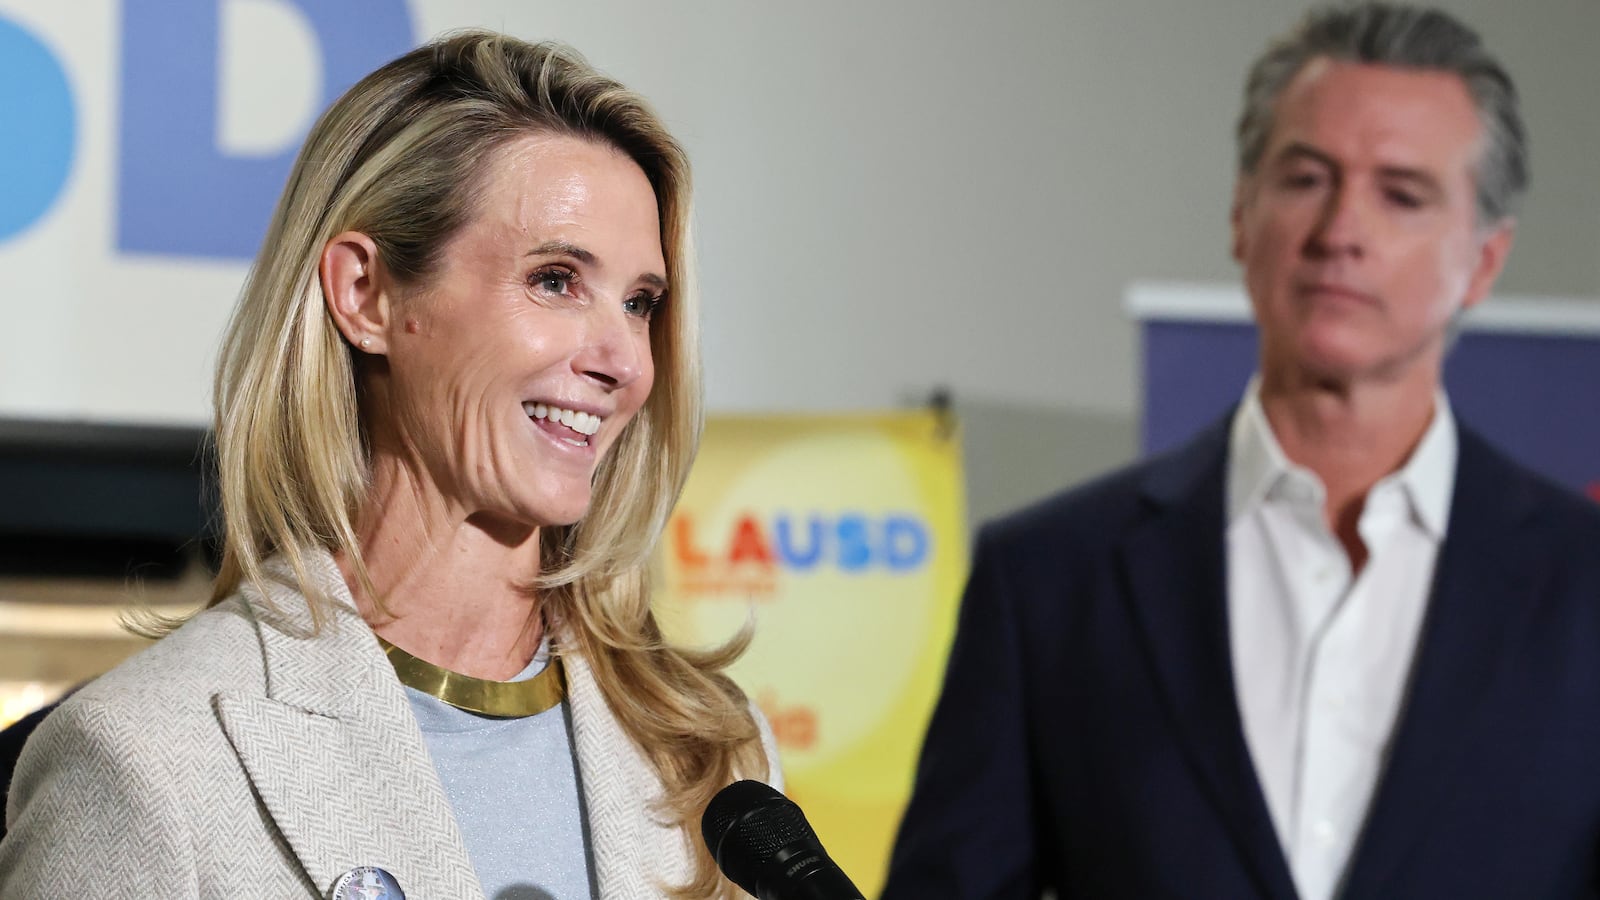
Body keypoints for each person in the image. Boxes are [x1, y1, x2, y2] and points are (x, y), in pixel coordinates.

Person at [0, 32, 779, 899]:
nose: (625, 362)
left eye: (640, 304)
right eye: (556, 280)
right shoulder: (148, 759)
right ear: (365, 294)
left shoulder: (714, 755)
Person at [883, 4, 1600, 899]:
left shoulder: (1582, 586)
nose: (1342, 230)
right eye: (1306, 177)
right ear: (1240, 212)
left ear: (1486, 260)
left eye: (1402, 194)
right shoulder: (1048, 581)